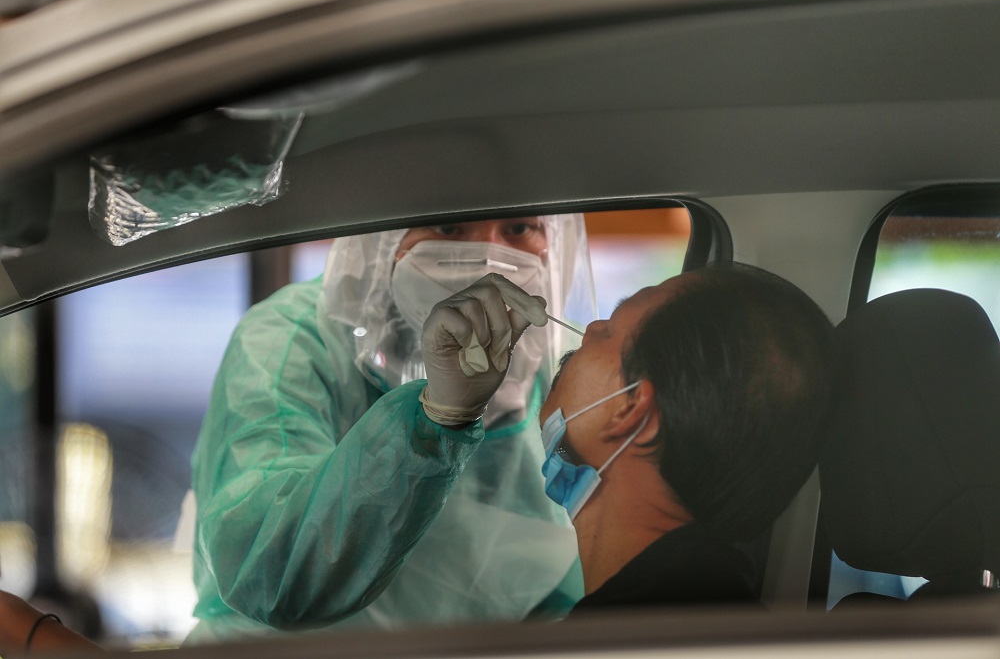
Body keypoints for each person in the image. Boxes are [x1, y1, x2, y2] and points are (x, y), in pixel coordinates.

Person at [189, 216, 593, 641]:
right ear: (380, 238)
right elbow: (271, 576)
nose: (488, 256)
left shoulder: (553, 372)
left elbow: (563, 596)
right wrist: (437, 419)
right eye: (448, 226)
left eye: (518, 228)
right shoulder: (291, 342)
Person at [538, 262, 835, 611]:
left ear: (631, 408)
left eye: (609, 330)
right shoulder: (716, 612)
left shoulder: (617, 639)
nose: (589, 330)